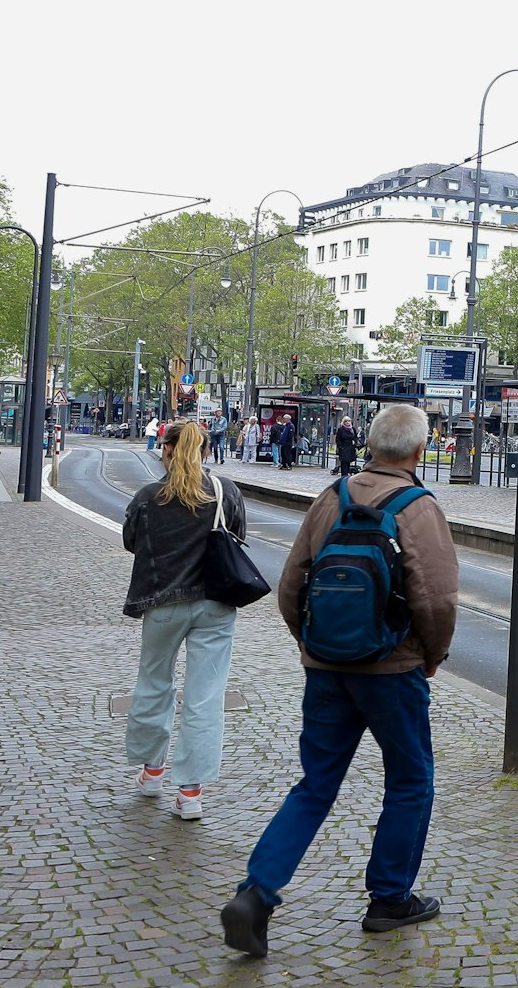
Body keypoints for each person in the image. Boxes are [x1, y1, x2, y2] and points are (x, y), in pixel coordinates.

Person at [221, 404, 459, 958]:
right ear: (420, 450)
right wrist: (432, 656)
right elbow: (437, 600)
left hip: (326, 670)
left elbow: (291, 586)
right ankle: (390, 899)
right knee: (410, 779)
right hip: (393, 671)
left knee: (315, 784)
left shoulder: (331, 497)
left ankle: (256, 894)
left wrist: (312, 644)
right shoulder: (419, 507)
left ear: (369, 445)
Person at [121, 418, 248, 822]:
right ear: (206, 451)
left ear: (167, 449)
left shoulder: (148, 496)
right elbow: (239, 535)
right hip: (215, 604)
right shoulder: (225, 491)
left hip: (163, 602)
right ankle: (191, 794)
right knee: (206, 696)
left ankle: (152, 772)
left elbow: (130, 541)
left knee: (154, 681)